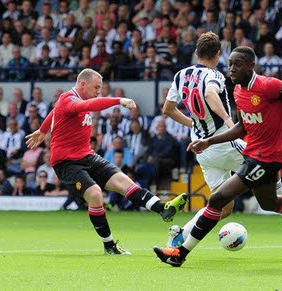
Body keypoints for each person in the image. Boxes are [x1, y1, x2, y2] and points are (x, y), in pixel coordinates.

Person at [154, 46, 282, 267]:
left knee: (217, 200)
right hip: (253, 153)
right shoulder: (237, 91)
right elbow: (242, 128)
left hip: (267, 157)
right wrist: (209, 141)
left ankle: (179, 253)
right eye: (230, 64)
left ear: (251, 65)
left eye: (238, 64)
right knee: (270, 203)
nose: (232, 69)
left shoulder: (267, 85)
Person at [25, 68, 187, 255]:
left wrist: (43, 130)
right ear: (83, 84)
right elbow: (88, 106)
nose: (98, 92)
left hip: (87, 155)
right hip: (66, 162)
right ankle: (109, 246)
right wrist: (119, 100)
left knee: (124, 181)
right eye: (96, 87)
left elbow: (54, 113)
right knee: (95, 194)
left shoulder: (70, 101)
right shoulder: (69, 99)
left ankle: (163, 208)